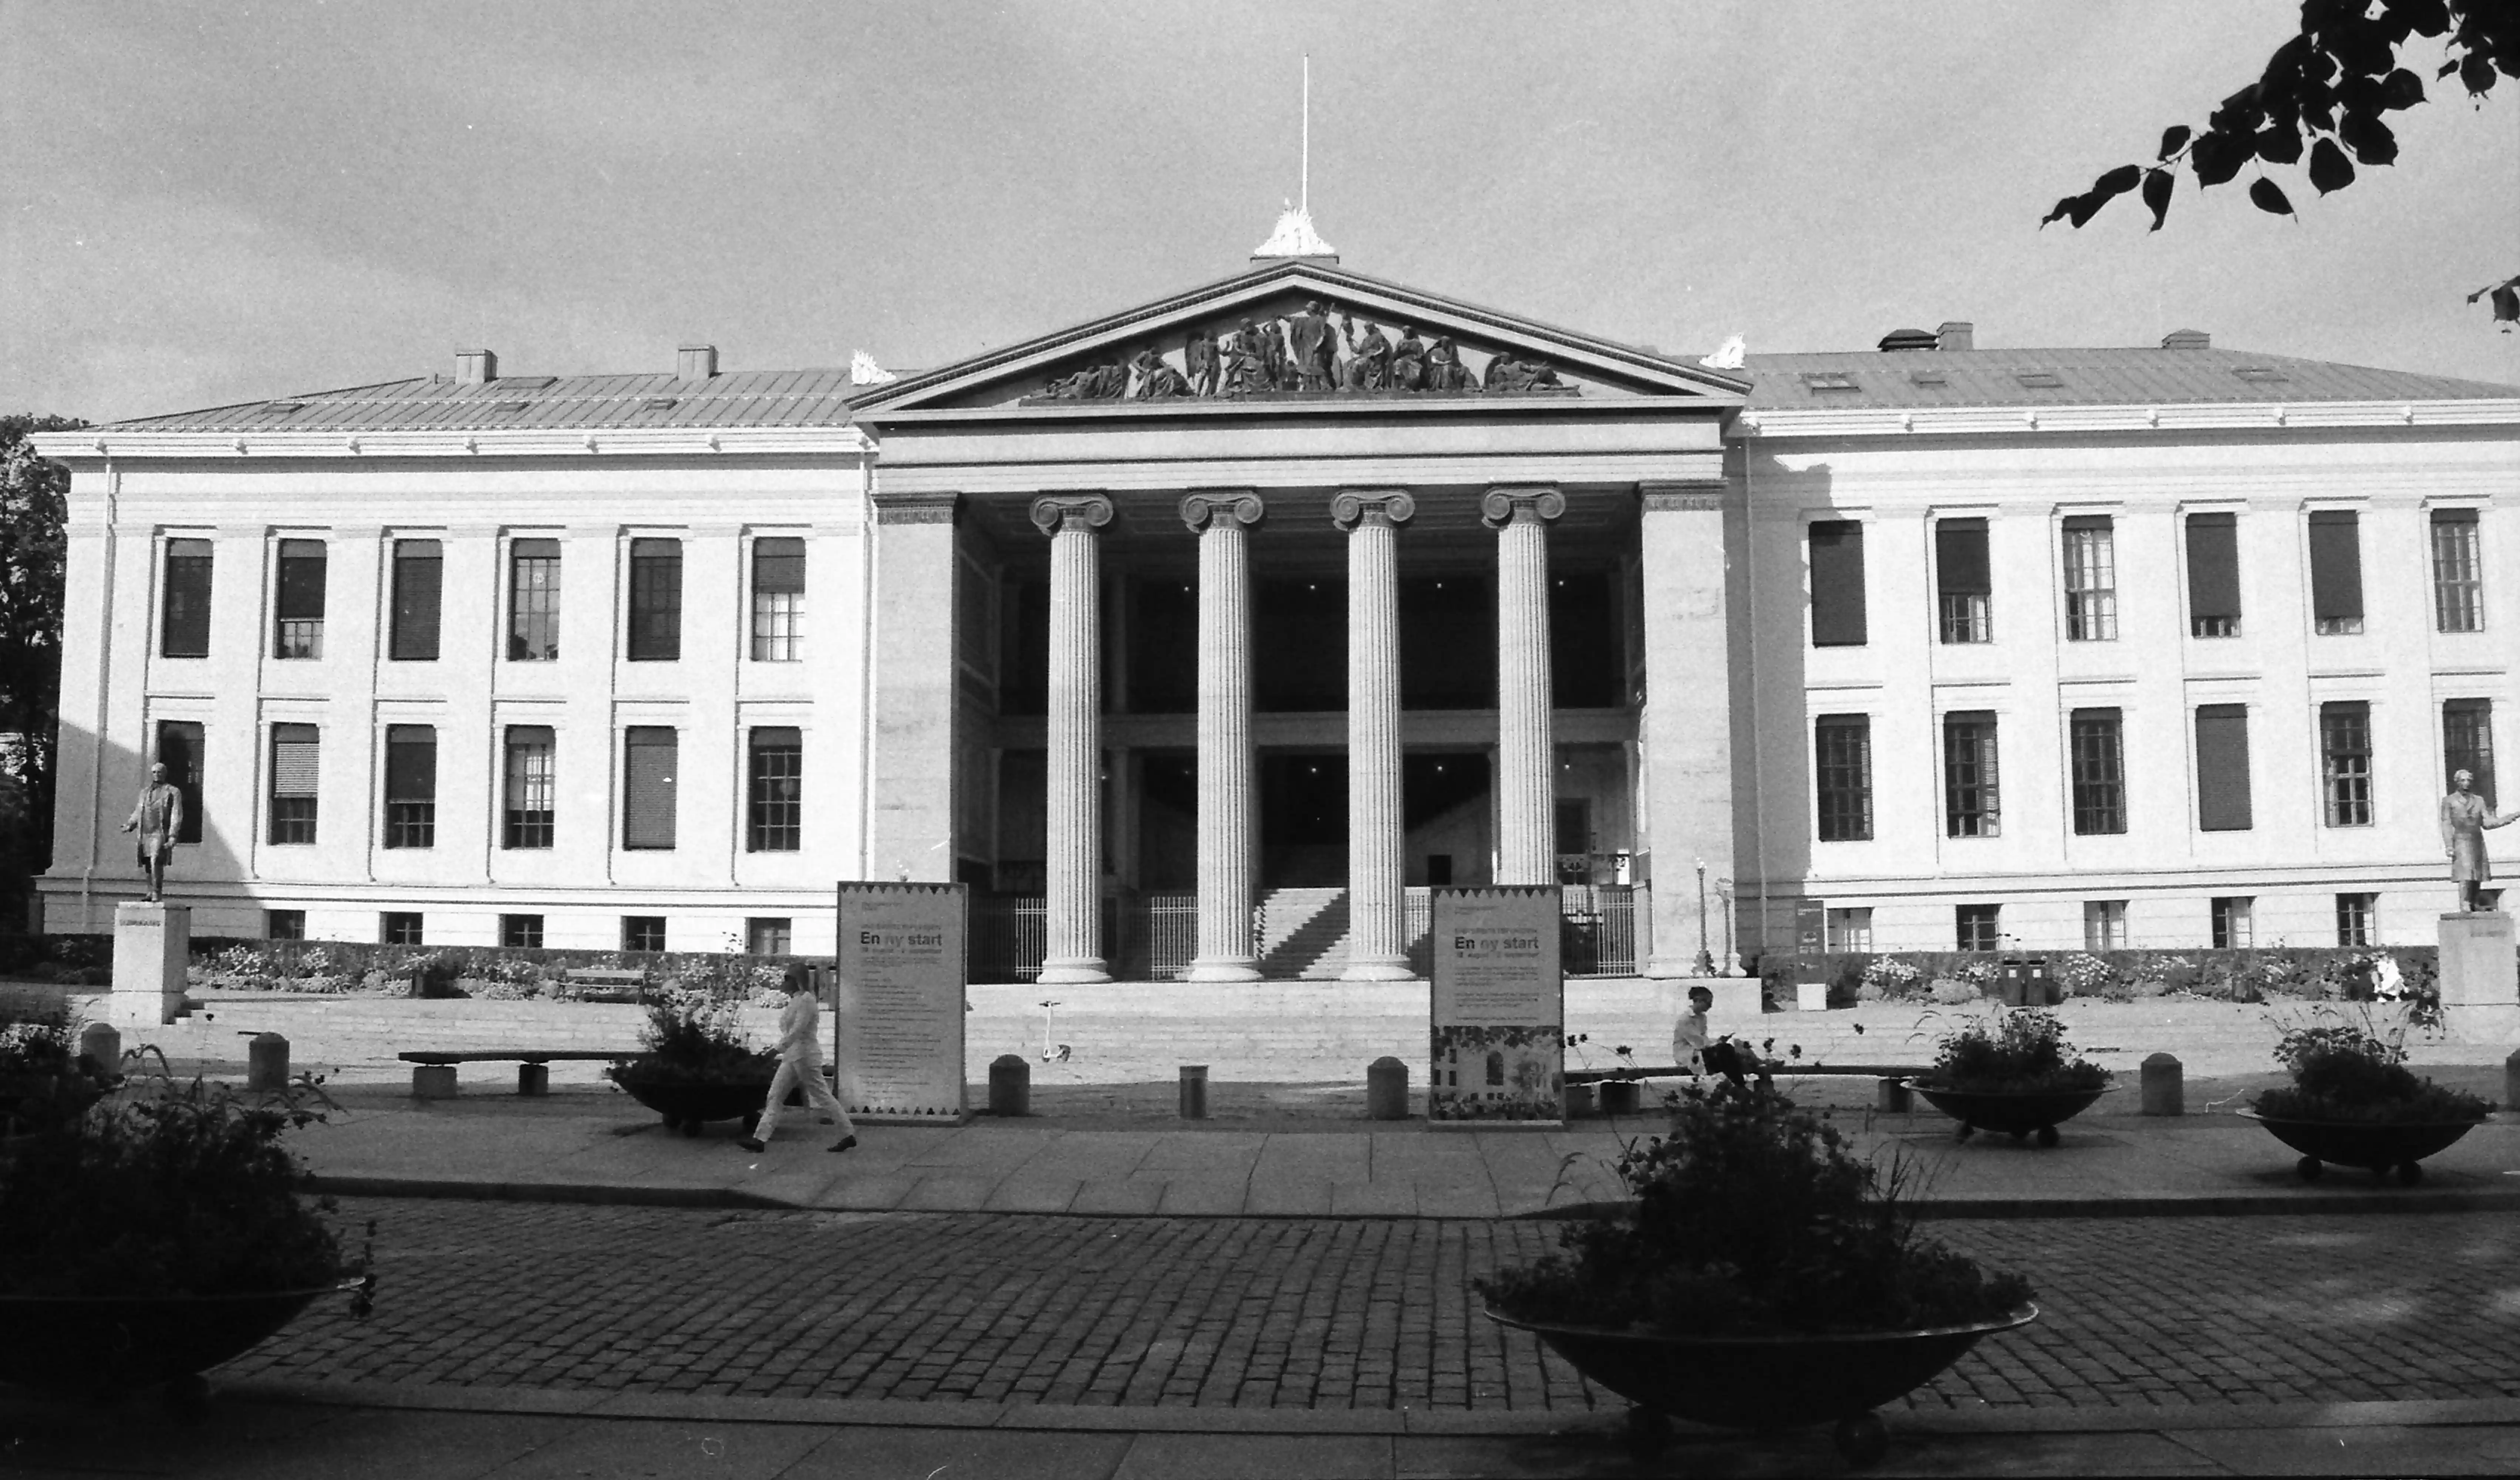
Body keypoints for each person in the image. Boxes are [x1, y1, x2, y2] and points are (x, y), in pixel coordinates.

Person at [737, 964, 856, 1154]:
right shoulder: (796, 1000)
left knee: (822, 1096)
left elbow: (798, 1030)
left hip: (805, 1056)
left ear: (797, 980)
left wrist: (776, 1049)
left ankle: (848, 1134)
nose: (784, 982)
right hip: (793, 1056)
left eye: (787, 978)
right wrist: (779, 1049)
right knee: (775, 1096)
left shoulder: (807, 1001)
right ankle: (759, 1140)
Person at [2439, 769, 2518, 912]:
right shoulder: (2449, 801)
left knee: (2477, 874)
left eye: (2469, 780)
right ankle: (2465, 903)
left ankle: (2474, 902)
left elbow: (2487, 823)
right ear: (2457, 782)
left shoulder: (2479, 801)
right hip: (2461, 839)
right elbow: (2446, 824)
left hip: (2477, 839)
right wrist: (2449, 845)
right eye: (2463, 780)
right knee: (2465, 874)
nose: (2466, 783)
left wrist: (2508, 818)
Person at [1671, 985, 1769, 1090]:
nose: (1710, 1006)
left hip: (1700, 1050)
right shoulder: (1685, 1020)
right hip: (1688, 1055)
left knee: (1735, 1047)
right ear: (1699, 1001)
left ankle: (1752, 1074)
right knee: (1726, 1051)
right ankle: (1741, 1084)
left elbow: (1704, 1040)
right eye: (1708, 1003)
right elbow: (1699, 1043)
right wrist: (1718, 1043)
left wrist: (1718, 1041)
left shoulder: (1702, 1018)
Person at [120, 761, 184, 903]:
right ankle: (150, 891)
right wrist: (130, 824)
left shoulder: (173, 792)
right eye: (154, 772)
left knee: (156, 861)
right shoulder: (145, 792)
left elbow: (176, 814)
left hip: (159, 833)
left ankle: (157, 892)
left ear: (165, 773)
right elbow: (139, 811)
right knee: (148, 863)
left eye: (160, 772)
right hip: (145, 833)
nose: (157, 775)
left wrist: (173, 835)